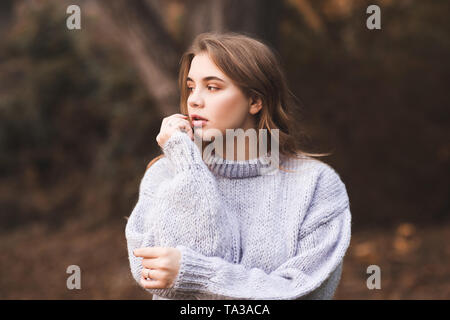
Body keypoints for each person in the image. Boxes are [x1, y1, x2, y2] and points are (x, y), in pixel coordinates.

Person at [125, 32, 352, 300]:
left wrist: (194, 273)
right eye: (190, 87)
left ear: (255, 101)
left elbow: (302, 291)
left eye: (212, 87)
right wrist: (188, 166)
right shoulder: (166, 174)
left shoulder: (316, 185)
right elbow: (153, 276)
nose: (194, 100)